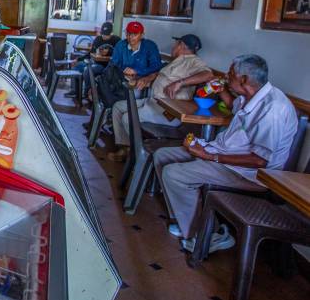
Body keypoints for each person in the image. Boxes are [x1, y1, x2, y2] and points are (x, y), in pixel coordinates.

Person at [153, 54, 298, 253]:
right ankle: (188, 220)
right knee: (162, 156)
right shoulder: (251, 96)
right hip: (225, 155)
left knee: (174, 174)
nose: (227, 77)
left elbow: (260, 160)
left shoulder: (272, 109)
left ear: (244, 80)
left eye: (230, 74)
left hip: (248, 174)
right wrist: (221, 91)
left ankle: (207, 236)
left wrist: (210, 156)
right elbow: (232, 106)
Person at [107, 34, 213, 161]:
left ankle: (137, 155)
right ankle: (125, 148)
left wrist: (180, 83)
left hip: (167, 110)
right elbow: (159, 74)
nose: (173, 47)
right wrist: (147, 78)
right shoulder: (177, 60)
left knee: (127, 118)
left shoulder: (193, 61)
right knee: (118, 107)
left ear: (182, 45)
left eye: (176, 44)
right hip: (153, 101)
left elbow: (208, 75)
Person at [72, 22, 120, 95]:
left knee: (88, 71)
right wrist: (78, 59)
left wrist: (109, 52)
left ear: (111, 33)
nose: (104, 36)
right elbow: (90, 53)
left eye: (107, 34)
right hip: (94, 62)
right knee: (77, 66)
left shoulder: (117, 40)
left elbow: (119, 54)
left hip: (107, 66)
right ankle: (75, 91)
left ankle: (88, 93)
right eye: (103, 34)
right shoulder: (98, 39)